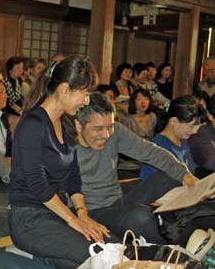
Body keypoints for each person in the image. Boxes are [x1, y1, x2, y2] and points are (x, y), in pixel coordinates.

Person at [9, 56, 110, 269]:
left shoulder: (65, 123)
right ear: (65, 89)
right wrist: (73, 221)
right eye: (84, 94)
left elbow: (73, 176)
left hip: (58, 214)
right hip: (30, 220)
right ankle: (40, 249)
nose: (86, 101)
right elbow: (37, 184)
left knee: (109, 247)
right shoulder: (33, 125)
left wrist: (82, 213)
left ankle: (43, 255)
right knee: (98, 255)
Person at [75, 92, 197, 243]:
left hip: (118, 199)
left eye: (110, 127)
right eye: (98, 129)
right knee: (141, 216)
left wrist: (186, 175)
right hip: (92, 211)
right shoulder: (66, 148)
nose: (106, 135)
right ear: (78, 125)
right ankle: (171, 251)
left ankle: (188, 232)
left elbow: (150, 151)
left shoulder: (115, 132)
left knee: (173, 176)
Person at [141, 95, 209, 181]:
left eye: (198, 127)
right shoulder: (160, 147)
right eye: (191, 126)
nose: (195, 131)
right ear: (174, 121)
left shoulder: (183, 140)